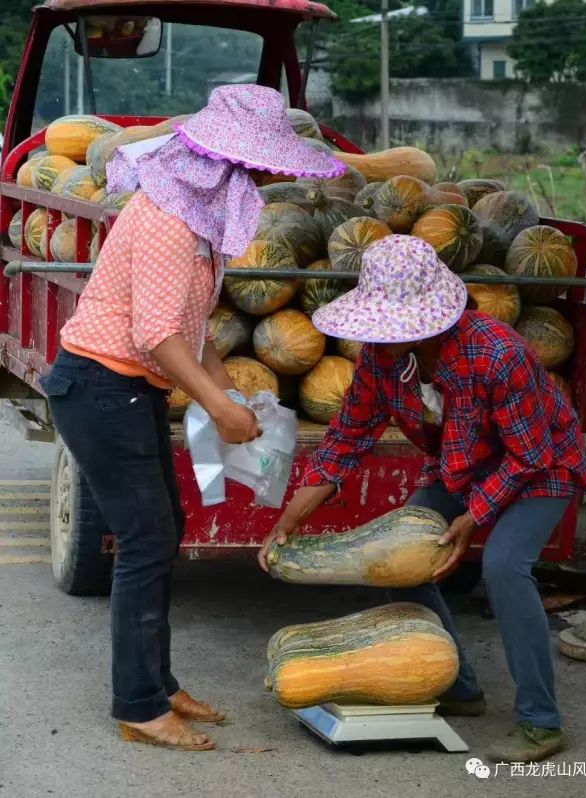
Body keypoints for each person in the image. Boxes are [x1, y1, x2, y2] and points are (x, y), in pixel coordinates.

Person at [42, 85, 346, 752]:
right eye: (258, 167)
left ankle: (158, 682)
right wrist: (215, 406)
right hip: (99, 386)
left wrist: (230, 393)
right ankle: (139, 705)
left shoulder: (198, 219)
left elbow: (191, 326)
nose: (263, 180)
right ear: (226, 163)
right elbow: (156, 335)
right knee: (145, 540)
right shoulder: (168, 219)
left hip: (128, 390)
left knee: (163, 532)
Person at [259, 235, 586, 764]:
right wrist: (296, 511)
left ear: (430, 323)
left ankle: (540, 721)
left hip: (541, 467)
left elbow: (529, 455)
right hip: (463, 466)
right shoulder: (381, 359)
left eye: (392, 326)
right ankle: (460, 687)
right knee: (402, 556)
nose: (378, 337)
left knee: (505, 566)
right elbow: (348, 436)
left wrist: (473, 516)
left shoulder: (499, 354)